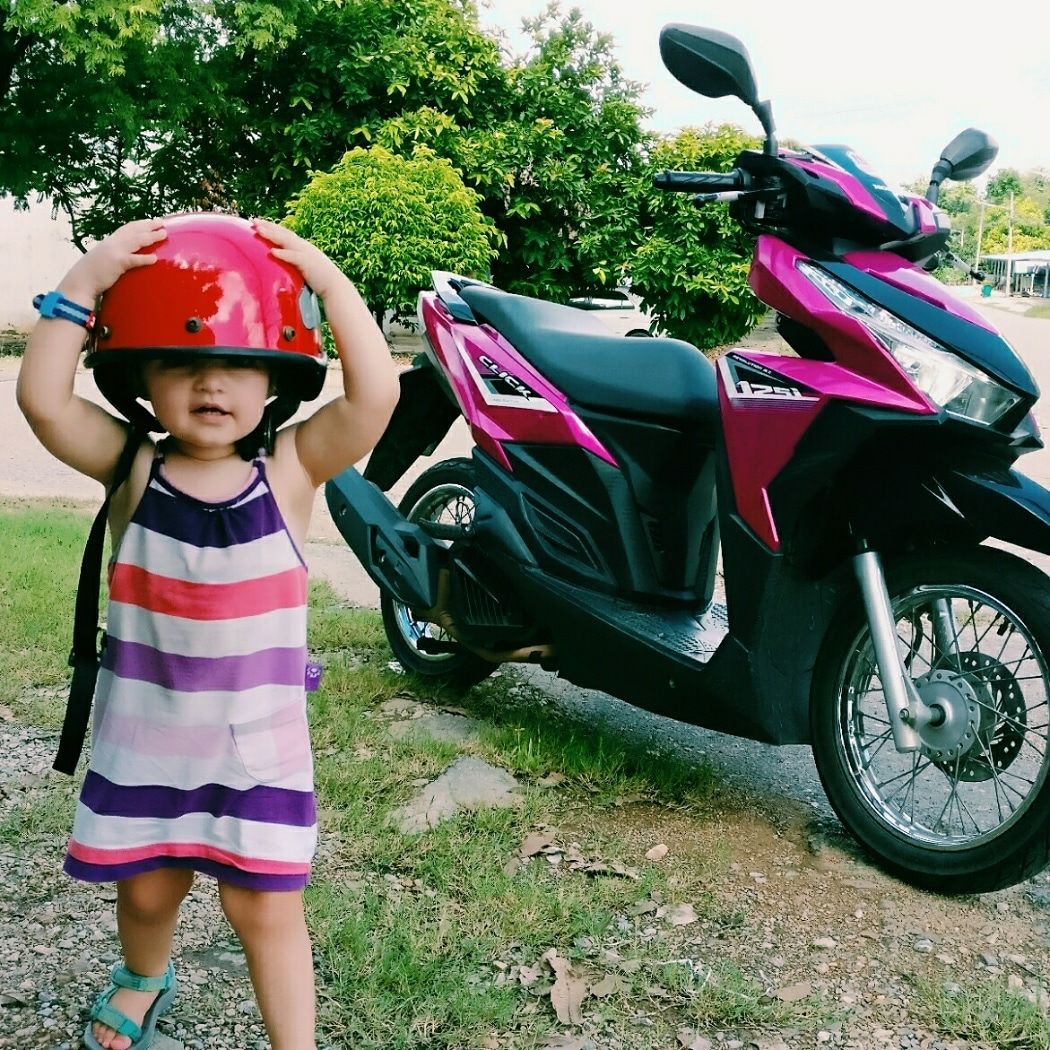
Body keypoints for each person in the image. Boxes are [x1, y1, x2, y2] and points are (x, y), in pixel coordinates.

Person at [16, 213, 400, 1050]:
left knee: (264, 905)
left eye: (238, 364)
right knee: (149, 892)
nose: (212, 383)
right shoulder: (134, 469)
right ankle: (144, 979)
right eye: (183, 363)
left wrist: (330, 285)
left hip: (254, 748)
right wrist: (81, 286)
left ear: (277, 380)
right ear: (141, 380)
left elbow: (376, 399)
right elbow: (43, 402)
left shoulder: (290, 473)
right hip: (147, 742)